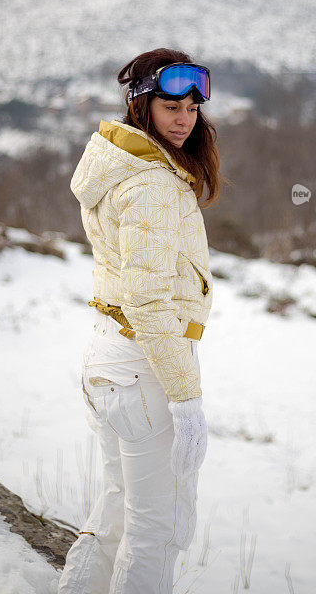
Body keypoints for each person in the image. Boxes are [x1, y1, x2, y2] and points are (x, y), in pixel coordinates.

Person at [58, 48, 222, 594]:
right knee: (158, 529)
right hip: (145, 368)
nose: (183, 118)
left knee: (115, 512)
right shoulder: (151, 184)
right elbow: (149, 302)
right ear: (140, 105)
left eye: (192, 106)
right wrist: (186, 397)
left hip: (107, 359)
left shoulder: (118, 165)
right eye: (169, 104)